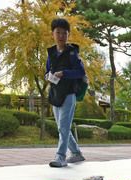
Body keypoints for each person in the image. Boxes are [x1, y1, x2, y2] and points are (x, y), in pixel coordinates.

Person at [45, 18, 86, 168]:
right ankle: (76, 153)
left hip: (69, 94)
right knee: (62, 128)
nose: (61, 35)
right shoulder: (51, 53)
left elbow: (80, 72)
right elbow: (47, 71)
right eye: (58, 32)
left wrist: (64, 73)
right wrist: (48, 76)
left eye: (64, 33)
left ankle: (60, 156)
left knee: (63, 127)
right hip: (55, 93)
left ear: (68, 34)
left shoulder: (72, 53)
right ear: (53, 34)